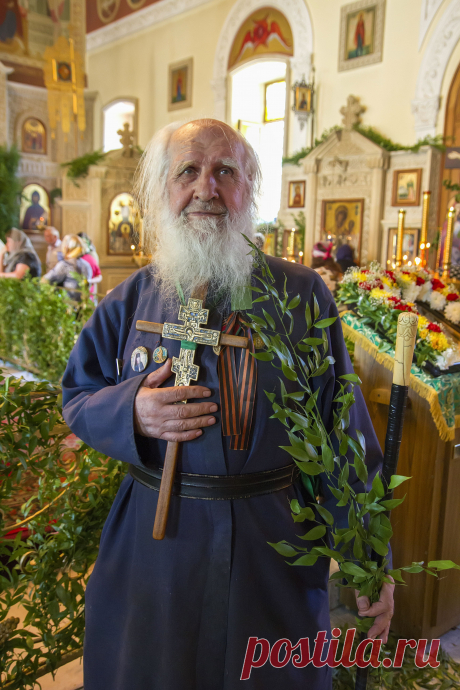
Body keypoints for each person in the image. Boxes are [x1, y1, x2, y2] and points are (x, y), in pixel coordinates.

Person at [61, 119, 394, 690]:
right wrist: (132, 412)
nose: (206, 187)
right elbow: (78, 393)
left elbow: (343, 430)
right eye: (188, 170)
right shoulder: (133, 298)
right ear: (163, 190)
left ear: (249, 189)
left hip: (272, 551)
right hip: (155, 549)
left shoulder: (300, 296)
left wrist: (369, 556)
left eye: (225, 172)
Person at [42, 234, 92, 301]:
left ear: (66, 247)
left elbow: (44, 280)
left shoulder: (65, 265)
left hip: (66, 306)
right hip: (82, 305)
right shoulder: (86, 265)